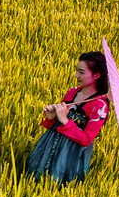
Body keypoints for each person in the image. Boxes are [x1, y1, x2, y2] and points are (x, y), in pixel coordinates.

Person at [26, 52, 111, 184]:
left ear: (96, 75)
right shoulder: (72, 92)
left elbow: (86, 139)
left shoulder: (99, 106)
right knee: (34, 178)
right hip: (50, 142)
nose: (76, 75)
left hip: (71, 153)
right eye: (77, 70)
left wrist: (65, 120)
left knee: (58, 183)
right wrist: (52, 118)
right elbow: (56, 123)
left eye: (81, 72)